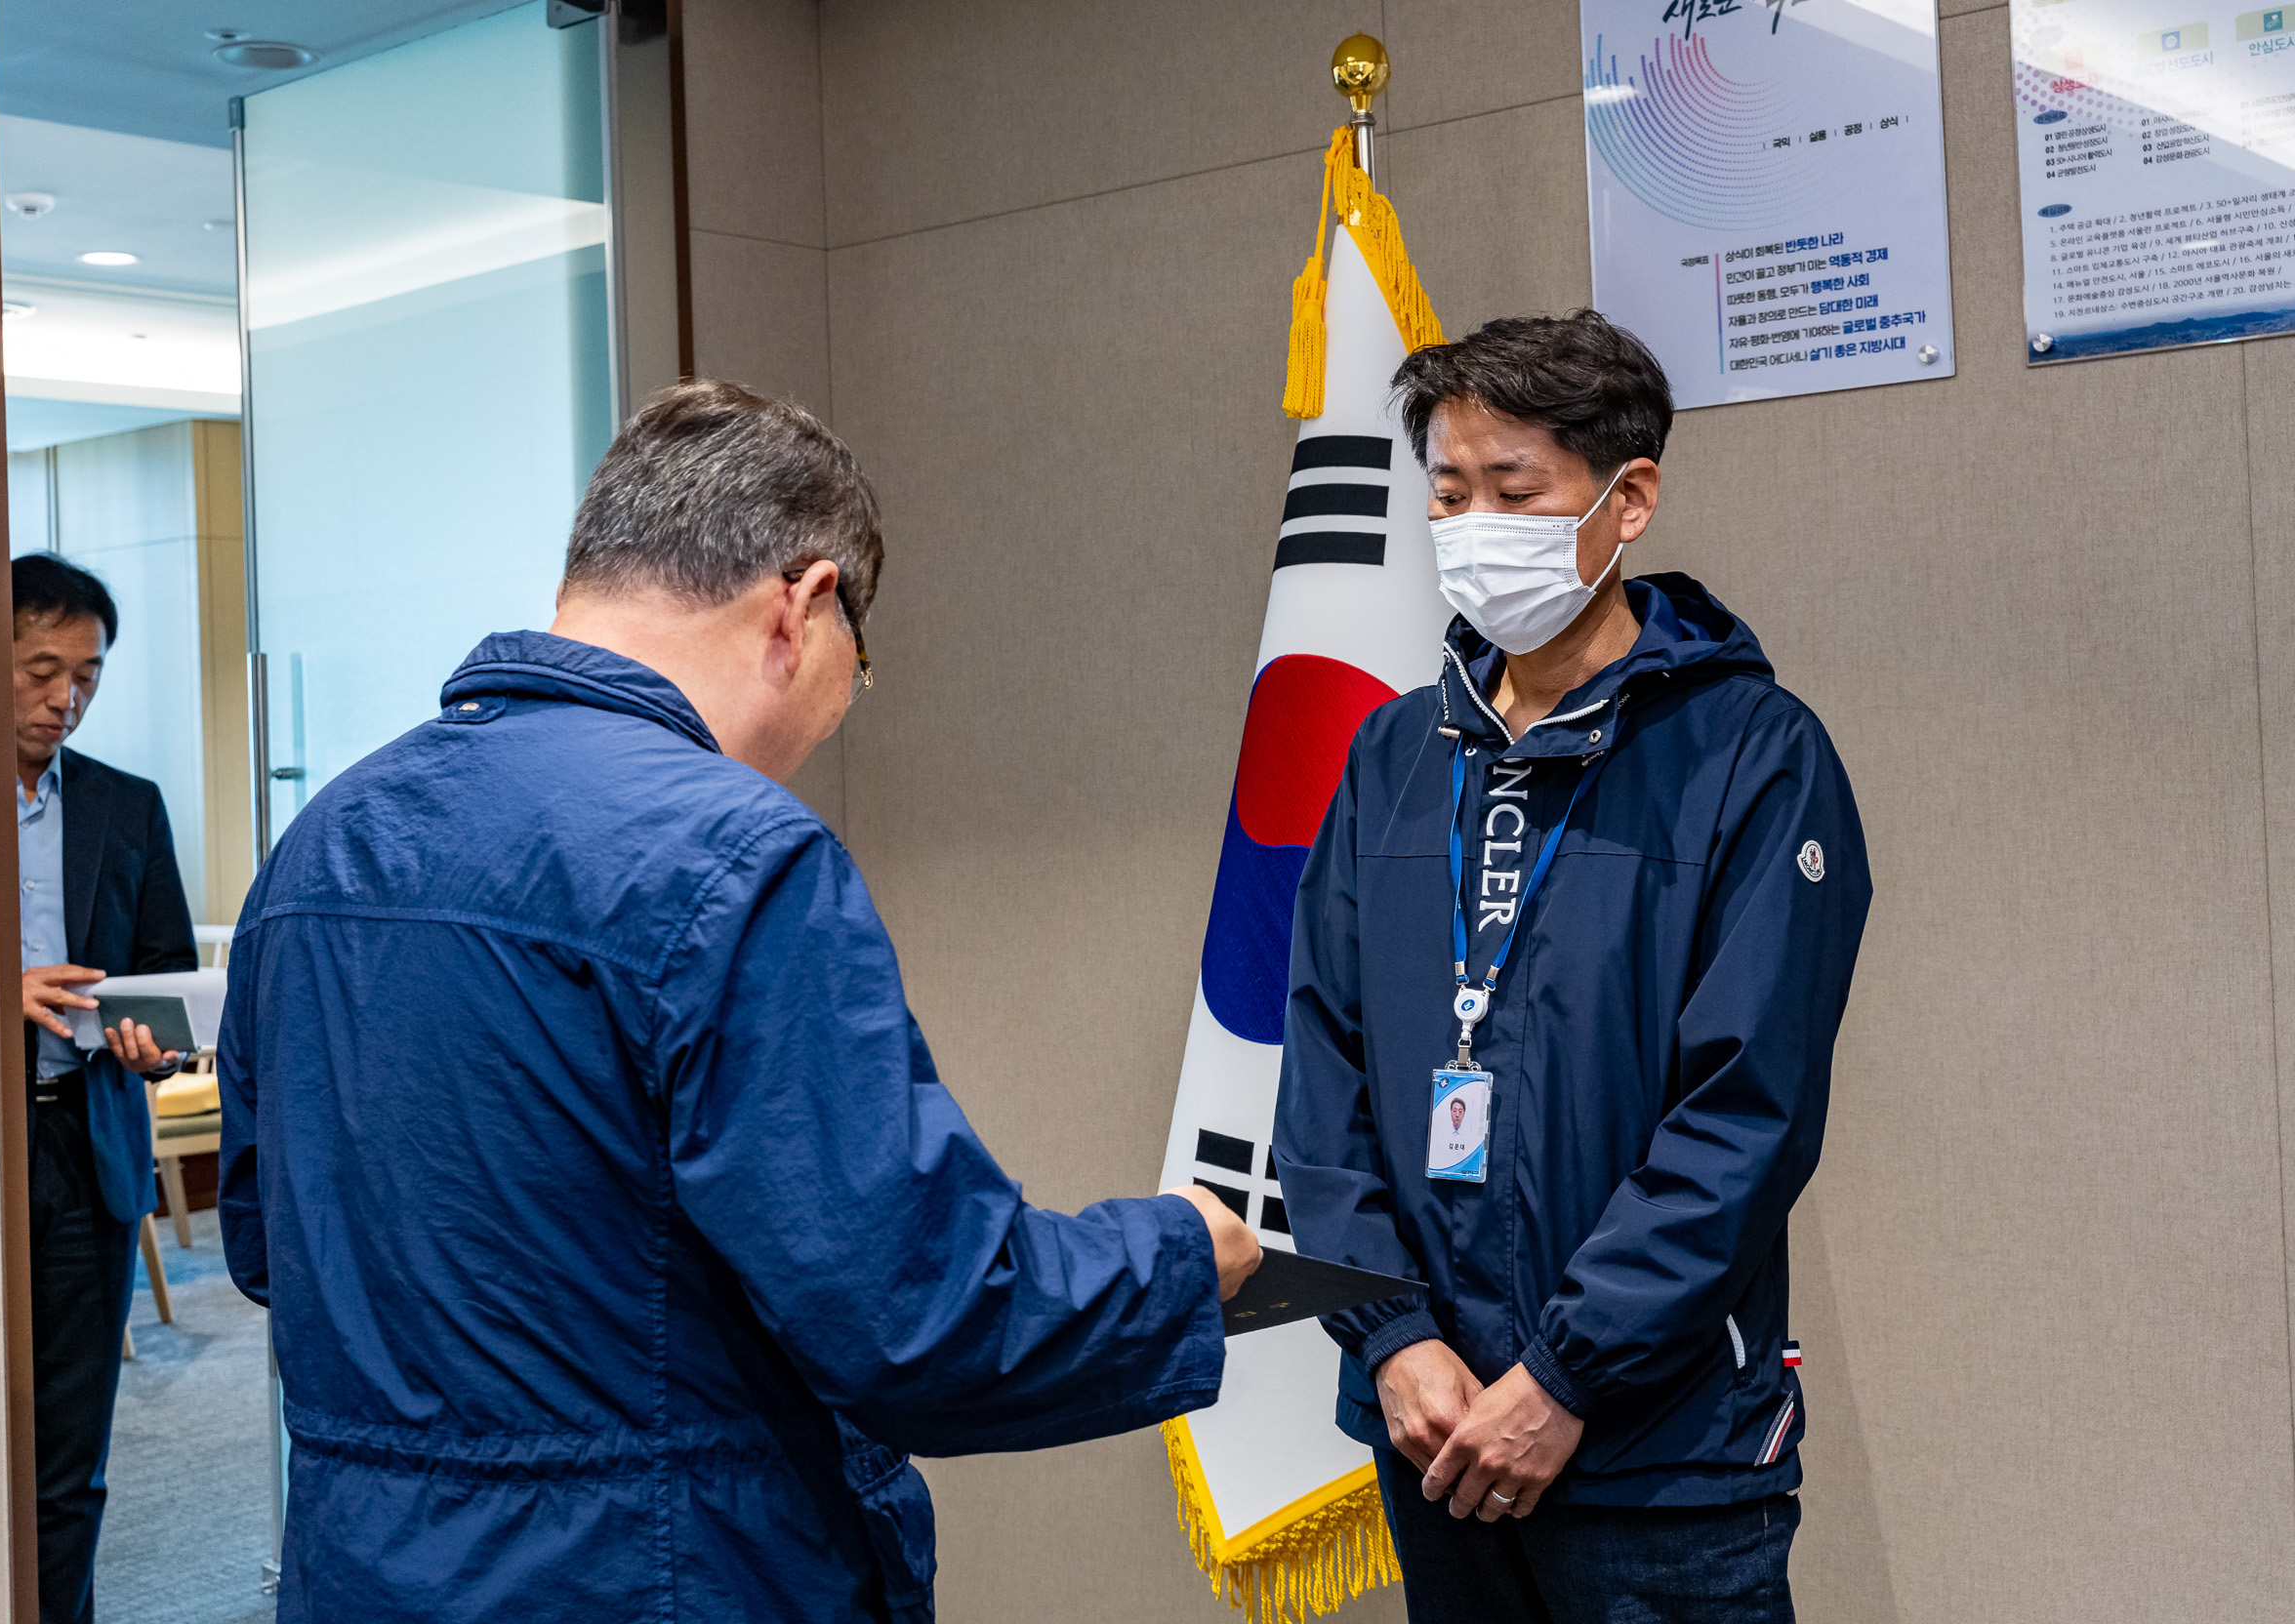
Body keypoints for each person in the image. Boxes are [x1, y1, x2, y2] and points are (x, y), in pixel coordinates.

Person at [217, 379, 1260, 1623]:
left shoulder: (319, 844)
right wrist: (1176, 1258)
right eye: (859, 666)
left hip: (362, 1574)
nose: (841, 706)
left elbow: (268, 1243)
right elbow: (914, 1315)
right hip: (659, 1575)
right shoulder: (733, 854)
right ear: (803, 605)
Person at [1274, 310, 1872, 1623]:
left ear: (1628, 499)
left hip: (1654, 1450)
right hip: (1433, 1427)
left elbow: (1746, 1112)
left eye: (1514, 490)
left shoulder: (1752, 756)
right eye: (1448, 493)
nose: (1472, 524)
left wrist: (1564, 1377)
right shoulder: (1391, 756)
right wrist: (1394, 1337)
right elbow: (1322, 1072)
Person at [10, 553, 197, 1624]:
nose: (65, 698)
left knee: (70, 1456)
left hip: (88, 1145)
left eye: (86, 676)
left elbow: (165, 975)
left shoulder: (127, 807)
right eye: (43, 670)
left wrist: (150, 1045)